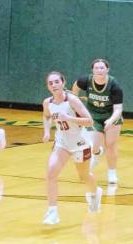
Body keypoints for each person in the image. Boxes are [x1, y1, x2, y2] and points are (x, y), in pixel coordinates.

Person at [42, 71, 102, 225]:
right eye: (51, 83)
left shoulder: (72, 100)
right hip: (62, 143)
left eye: (56, 82)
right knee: (51, 173)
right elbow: (47, 116)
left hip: (80, 144)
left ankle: (95, 194)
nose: (54, 85)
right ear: (48, 86)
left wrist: (69, 118)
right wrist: (47, 131)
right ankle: (52, 211)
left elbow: (89, 121)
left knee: (84, 176)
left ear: (63, 83)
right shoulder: (47, 102)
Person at [72, 58, 123, 186]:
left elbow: (118, 109)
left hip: (111, 116)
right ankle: (96, 152)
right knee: (93, 144)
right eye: (96, 68)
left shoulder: (114, 85)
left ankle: (112, 173)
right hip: (93, 116)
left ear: (107, 70)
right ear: (92, 70)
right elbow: (76, 86)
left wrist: (111, 120)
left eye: (102, 68)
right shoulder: (86, 80)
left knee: (110, 145)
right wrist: (75, 101)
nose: (99, 70)